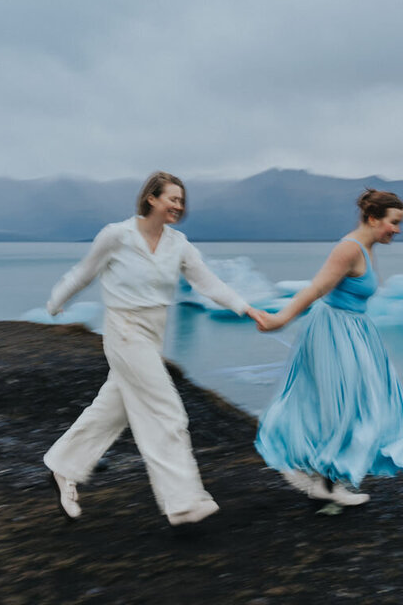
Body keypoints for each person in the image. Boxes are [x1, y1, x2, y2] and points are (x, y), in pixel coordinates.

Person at [42, 171, 266, 526]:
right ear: (152, 198)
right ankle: (183, 503)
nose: (178, 205)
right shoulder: (117, 236)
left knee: (112, 408)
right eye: (172, 198)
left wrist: (245, 307)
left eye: (181, 200)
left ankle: (62, 466)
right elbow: (84, 272)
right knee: (168, 413)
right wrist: (55, 302)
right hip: (124, 330)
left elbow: (207, 281)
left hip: (153, 332)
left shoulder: (179, 244)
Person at [253, 189, 403, 506]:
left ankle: (327, 482)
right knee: (345, 408)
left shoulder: (367, 247)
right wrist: (280, 319)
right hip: (332, 331)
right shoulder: (349, 249)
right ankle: (326, 481)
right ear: (373, 218)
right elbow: (316, 288)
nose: (398, 230)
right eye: (394, 222)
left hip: (356, 331)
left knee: (360, 405)